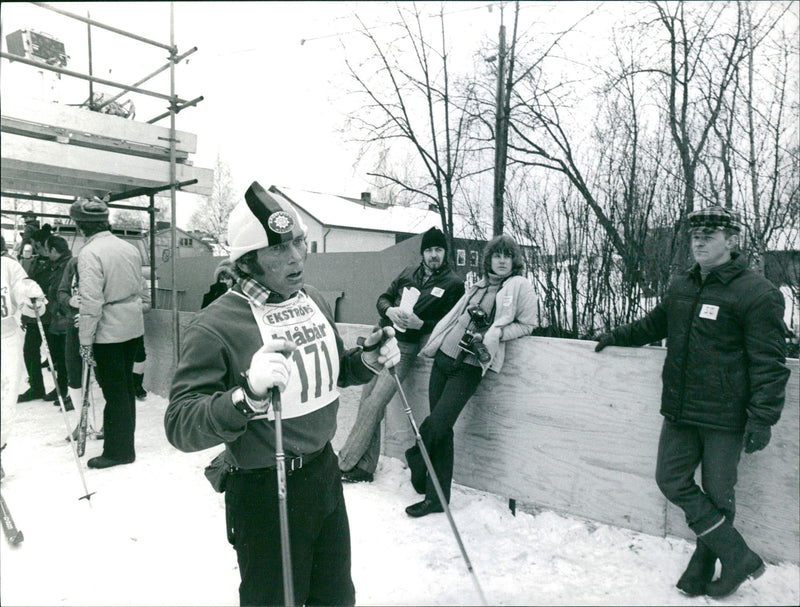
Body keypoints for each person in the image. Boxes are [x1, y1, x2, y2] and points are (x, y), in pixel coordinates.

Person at [165, 181, 400, 607]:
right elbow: (181, 425)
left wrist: (367, 360)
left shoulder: (310, 299)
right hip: (264, 490)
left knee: (336, 597)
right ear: (248, 260)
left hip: (323, 474)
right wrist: (247, 395)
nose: (294, 257)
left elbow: (331, 372)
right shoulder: (216, 324)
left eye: (296, 242)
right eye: (277, 249)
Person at [593, 206, 790, 599]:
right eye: (695, 235)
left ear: (732, 242)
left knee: (718, 495)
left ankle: (703, 567)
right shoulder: (682, 285)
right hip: (681, 409)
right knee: (670, 479)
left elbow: (769, 363)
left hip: (725, 416)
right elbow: (655, 324)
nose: (698, 241)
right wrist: (616, 335)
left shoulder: (757, 293)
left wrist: (762, 418)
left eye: (709, 235)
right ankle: (738, 556)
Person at [405, 234, 538, 517]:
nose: (501, 261)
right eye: (496, 255)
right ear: (488, 259)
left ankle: (416, 458)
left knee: (438, 424)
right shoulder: (476, 286)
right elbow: (454, 317)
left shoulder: (519, 286)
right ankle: (436, 497)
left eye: (507, 256)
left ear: (515, 260)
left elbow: (528, 324)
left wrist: (498, 332)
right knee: (442, 431)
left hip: (470, 366)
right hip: (444, 358)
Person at [338, 226, 464, 483]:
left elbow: (450, 324)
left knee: (376, 403)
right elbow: (382, 298)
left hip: (404, 348)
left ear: (445, 253)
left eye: (438, 250)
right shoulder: (408, 273)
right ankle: (364, 467)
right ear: (422, 253)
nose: (433, 255)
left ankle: (343, 463)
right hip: (381, 336)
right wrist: (390, 310)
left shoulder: (454, 284)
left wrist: (422, 325)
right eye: (429, 250)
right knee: (367, 401)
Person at [71, 197, 145, 469]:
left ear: (81, 226)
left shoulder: (90, 253)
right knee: (125, 389)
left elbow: (91, 302)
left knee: (115, 393)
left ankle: (119, 451)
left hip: (108, 332)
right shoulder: (128, 247)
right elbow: (141, 287)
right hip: (132, 327)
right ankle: (124, 444)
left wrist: (85, 341)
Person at [1, 236, 45, 454]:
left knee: (5, 398)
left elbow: (24, 292)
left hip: (5, 340)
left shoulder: (8, 266)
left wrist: (32, 296)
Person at [18, 226, 54, 403]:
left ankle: (63, 388)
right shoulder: (36, 261)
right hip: (34, 316)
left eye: (35, 245)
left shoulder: (56, 264)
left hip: (51, 317)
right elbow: (28, 287)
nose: (33, 249)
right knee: (30, 351)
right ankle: (36, 387)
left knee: (56, 354)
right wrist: (25, 314)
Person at [41, 235, 74, 410]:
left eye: (48, 250)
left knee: (67, 359)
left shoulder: (70, 265)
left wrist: (59, 309)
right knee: (57, 358)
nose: (46, 253)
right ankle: (61, 389)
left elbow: (65, 291)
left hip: (65, 319)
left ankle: (71, 393)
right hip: (55, 319)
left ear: (54, 250)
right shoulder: (56, 265)